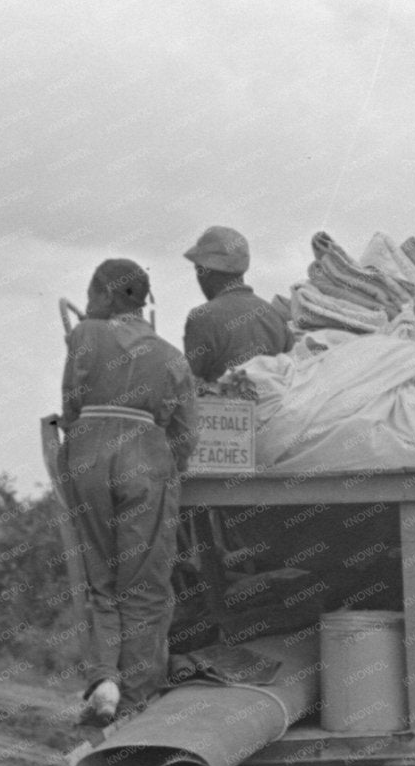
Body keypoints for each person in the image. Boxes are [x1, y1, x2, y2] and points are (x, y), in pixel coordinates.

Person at [58, 258, 197, 725]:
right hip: (145, 457)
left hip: (88, 456)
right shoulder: (171, 356)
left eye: (93, 294)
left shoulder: (84, 336)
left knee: (102, 580)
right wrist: (163, 472)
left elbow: (71, 404)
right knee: (145, 586)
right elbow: (185, 436)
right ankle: (135, 702)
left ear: (108, 296)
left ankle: (105, 680)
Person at [181, 225, 293, 381]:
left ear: (203, 272)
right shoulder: (275, 315)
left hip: (219, 405)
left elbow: (190, 384)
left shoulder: (202, 317)